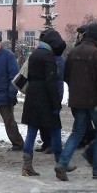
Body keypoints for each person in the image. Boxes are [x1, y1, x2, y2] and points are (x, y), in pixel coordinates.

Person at [55, 22, 97, 180]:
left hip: (77, 100)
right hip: (95, 102)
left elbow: (66, 76)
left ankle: (62, 163)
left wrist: (77, 90)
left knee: (77, 132)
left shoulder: (74, 52)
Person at [20, 30, 66, 177]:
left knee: (31, 132)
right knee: (56, 130)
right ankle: (61, 165)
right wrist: (56, 104)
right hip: (45, 99)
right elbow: (51, 82)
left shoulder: (35, 54)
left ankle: (27, 165)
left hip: (32, 97)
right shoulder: (49, 57)